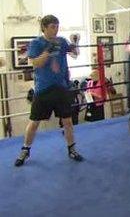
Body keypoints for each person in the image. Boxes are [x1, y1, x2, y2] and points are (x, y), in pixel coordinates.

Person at [14, 15, 83, 167]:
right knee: (34, 122)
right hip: (43, 89)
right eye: (52, 26)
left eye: (57, 26)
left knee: (68, 121)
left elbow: (75, 54)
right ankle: (25, 150)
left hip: (61, 87)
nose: (56, 29)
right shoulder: (36, 43)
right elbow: (36, 64)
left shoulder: (62, 41)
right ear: (44, 27)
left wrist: (75, 43)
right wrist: (48, 51)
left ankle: (72, 149)